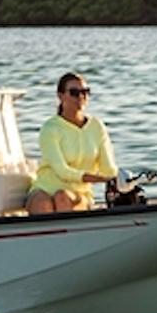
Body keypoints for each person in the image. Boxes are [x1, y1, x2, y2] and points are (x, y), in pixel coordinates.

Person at [26, 72, 118, 215]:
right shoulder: (50, 128)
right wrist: (97, 178)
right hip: (44, 188)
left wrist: (119, 180)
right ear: (60, 96)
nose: (81, 97)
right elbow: (62, 171)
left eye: (85, 92)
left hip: (79, 193)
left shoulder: (97, 126)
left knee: (62, 197)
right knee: (43, 204)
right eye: (74, 93)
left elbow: (109, 170)